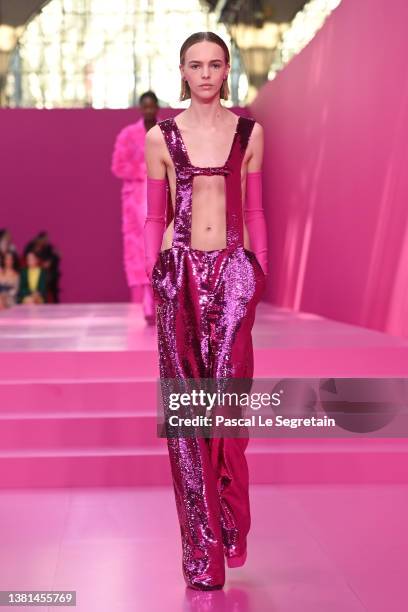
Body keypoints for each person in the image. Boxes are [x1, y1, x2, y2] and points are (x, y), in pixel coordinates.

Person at [143, 32, 268, 590]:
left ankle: (230, 521)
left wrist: (258, 271)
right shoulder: (161, 137)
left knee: (226, 406)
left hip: (235, 273)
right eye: (196, 65)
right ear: (182, 71)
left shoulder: (250, 133)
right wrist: (156, 279)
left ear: (226, 70)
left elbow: (258, 206)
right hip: (181, 273)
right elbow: (154, 217)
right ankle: (203, 553)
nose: (206, 74)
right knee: (188, 414)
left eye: (215, 64)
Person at [111, 90, 161, 325]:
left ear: (157, 107)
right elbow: (118, 166)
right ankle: (143, 301)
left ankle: (159, 300)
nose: (149, 110)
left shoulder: (167, 132)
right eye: (146, 107)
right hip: (135, 202)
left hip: (161, 197)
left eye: (153, 106)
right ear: (141, 108)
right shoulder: (128, 135)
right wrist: (143, 170)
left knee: (161, 247)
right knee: (138, 249)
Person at [23, 231, 61, 303]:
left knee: (51, 278)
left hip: (46, 273)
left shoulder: (48, 247)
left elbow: (55, 256)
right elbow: (26, 256)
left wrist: (50, 261)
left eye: (46, 240)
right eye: (44, 239)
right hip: (32, 271)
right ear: (39, 239)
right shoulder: (31, 246)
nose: (45, 241)